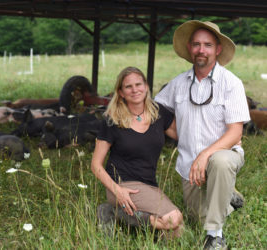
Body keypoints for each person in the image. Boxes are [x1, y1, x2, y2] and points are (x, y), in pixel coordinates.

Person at [155, 20, 250, 249]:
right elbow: (156, 111)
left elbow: (236, 131)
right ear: (189, 48)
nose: (201, 49)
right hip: (189, 164)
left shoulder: (231, 84)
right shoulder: (178, 84)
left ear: (217, 49)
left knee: (220, 161)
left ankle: (215, 236)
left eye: (207, 44)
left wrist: (205, 154)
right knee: (198, 217)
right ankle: (227, 199)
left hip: (224, 155)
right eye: (196, 44)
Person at [91, 66, 183, 237]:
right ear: (121, 92)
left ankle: (121, 215)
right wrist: (117, 190)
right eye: (128, 86)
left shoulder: (158, 113)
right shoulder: (112, 120)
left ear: (146, 87)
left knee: (177, 235)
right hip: (122, 185)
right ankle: (116, 211)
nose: (135, 90)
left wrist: (221, 139)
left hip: (149, 185)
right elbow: (96, 165)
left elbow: (185, 136)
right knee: (173, 219)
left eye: (138, 84)